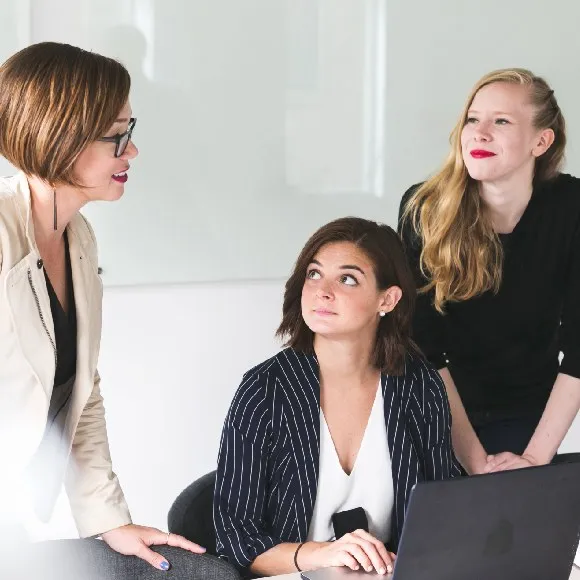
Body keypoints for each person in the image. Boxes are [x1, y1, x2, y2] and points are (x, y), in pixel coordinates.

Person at [0, 42, 239, 580]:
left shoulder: (78, 237)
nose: (132, 152)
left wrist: (108, 519)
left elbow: (81, 397)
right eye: (117, 136)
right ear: (60, 138)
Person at [213, 217, 461, 578]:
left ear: (387, 299)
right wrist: (321, 554)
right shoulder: (265, 390)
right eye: (314, 274)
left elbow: (443, 512)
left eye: (347, 279)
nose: (322, 291)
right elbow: (237, 540)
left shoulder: (418, 386)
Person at [398, 68, 580, 476]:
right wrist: (475, 462)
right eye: (472, 119)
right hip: (431, 407)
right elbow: (424, 347)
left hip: (524, 410)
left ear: (541, 140)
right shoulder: (424, 209)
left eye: (500, 121)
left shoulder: (571, 208)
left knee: (513, 531)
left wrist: (534, 459)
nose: (478, 133)